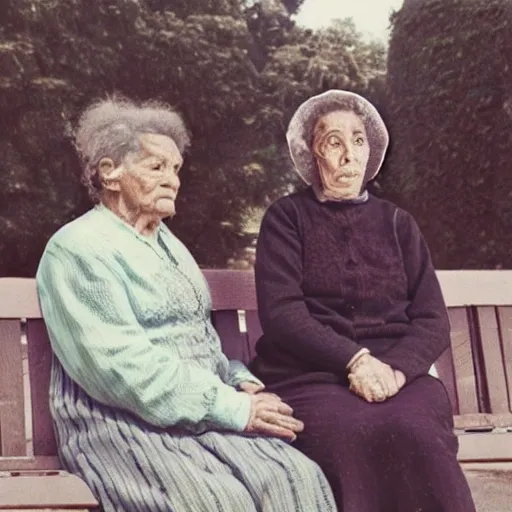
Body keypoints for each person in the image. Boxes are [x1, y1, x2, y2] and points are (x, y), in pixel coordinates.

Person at [35, 97, 336, 512]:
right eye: (156, 167)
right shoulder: (76, 249)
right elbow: (119, 367)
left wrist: (236, 378)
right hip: (118, 420)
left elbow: (196, 338)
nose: (172, 180)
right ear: (110, 173)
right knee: (214, 501)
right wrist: (230, 406)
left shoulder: (167, 243)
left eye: (175, 169)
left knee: (297, 478)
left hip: (198, 412)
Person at [250, 90, 477, 512]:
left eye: (358, 141)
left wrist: (394, 369)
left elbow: (432, 319)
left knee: (418, 431)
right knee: (350, 432)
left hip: (398, 375)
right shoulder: (285, 219)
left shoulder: (398, 224)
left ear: (370, 153)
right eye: (334, 143)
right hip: (309, 375)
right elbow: (282, 312)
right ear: (312, 154)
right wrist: (355, 360)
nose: (348, 155)